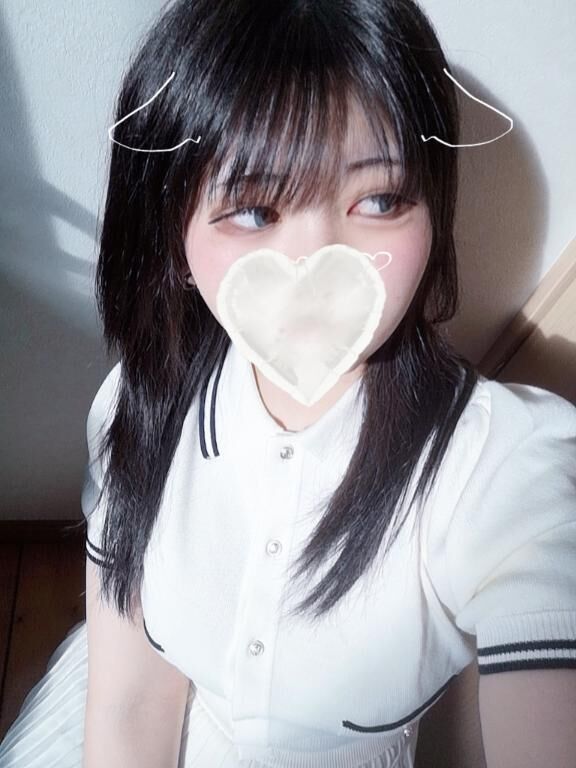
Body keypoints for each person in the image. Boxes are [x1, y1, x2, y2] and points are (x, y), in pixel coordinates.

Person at [2, 0, 576, 766]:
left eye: (378, 200)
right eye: (253, 210)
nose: (315, 263)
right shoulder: (139, 404)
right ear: (173, 232)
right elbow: (130, 702)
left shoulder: (509, 468)